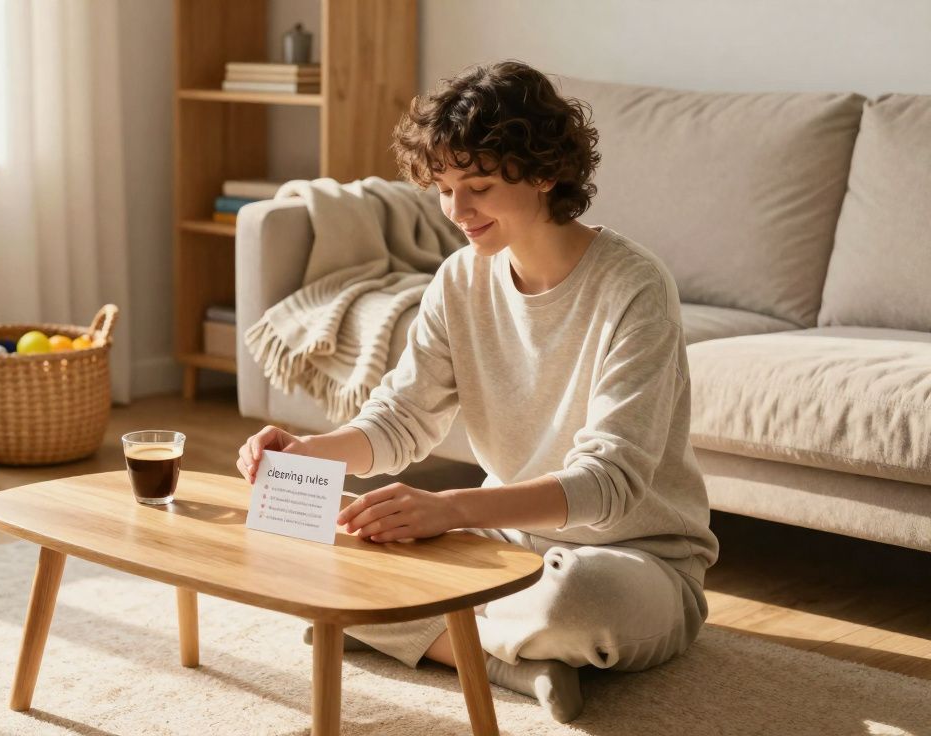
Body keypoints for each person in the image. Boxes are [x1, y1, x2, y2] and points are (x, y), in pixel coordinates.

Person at [235, 60, 718, 724]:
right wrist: (308, 453)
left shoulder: (634, 287)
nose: (457, 212)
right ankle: (508, 663)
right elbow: (401, 418)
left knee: (572, 602)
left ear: (544, 174)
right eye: (444, 189)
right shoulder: (459, 280)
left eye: (480, 187)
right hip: (504, 544)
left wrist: (449, 509)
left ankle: (434, 635)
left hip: (635, 560)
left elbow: (610, 484)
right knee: (326, 554)